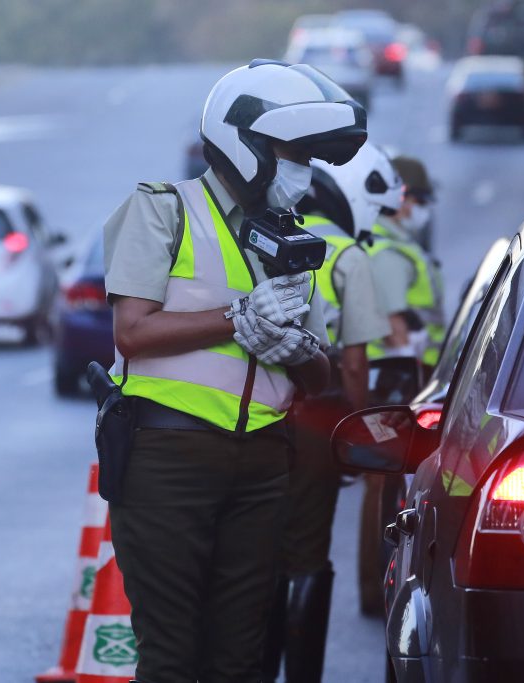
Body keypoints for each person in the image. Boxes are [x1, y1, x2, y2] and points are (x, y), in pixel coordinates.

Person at [102, 59, 367, 683]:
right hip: (168, 457)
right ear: (242, 139)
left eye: (310, 155)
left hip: (263, 464)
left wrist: (299, 351)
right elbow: (131, 333)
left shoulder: (294, 244)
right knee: (173, 655)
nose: (304, 169)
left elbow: (319, 378)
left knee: (242, 659)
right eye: (292, 150)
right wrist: (238, 315)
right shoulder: (164, 210)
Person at [263, 147, 391, 682]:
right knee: (307, 552)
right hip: (317, 417)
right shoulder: (347, 255)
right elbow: (356, 363)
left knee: (257, 549)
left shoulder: (262, 236)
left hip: (257, 410)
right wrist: (364, 433)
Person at [368, 155, 445, 368]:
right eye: (420, 201)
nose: (424, 210)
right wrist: (409, 374)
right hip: (406, 373)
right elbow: (393, 325)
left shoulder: (392, 242)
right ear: (401, 197)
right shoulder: (389, 253)